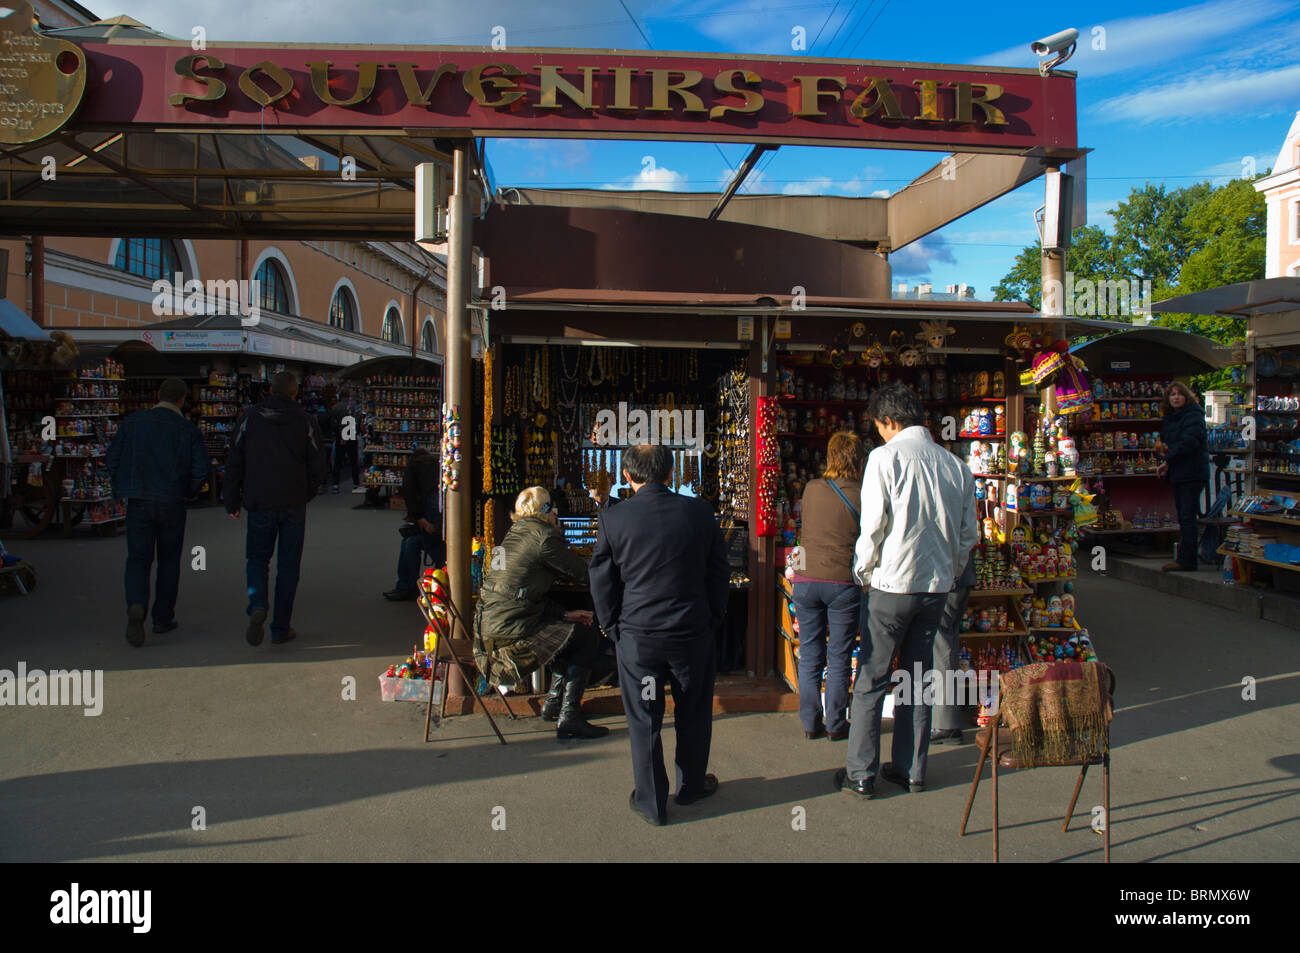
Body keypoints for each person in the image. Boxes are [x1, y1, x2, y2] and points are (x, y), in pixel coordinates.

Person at [837, 382, 978, 799]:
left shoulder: (884, 458)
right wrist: (949, 571)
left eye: (879, 426)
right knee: (917, 678)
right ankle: (911, 770)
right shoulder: (956, 466)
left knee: (872, 678)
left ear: (889, 421)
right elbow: (968, 535)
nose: (879, 433)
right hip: (936, 588)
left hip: (891, 586)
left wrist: (862, 572)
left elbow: (872, 528)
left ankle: (861, 773)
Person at [589, 444, 730, 827]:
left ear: (629, 477)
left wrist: (613, 625)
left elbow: (602, 580)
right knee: (694, 711)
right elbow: (719, 572)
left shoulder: (614, 519)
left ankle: (652, 801)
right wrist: (713, 617)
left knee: (645, 718)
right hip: (690, 634)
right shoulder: (699, 513)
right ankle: (691, 785)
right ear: (670, 474)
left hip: (639, 638)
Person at [472, 486, 611, 740]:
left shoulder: (513, 534)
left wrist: (565, 615)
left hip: (488, 631)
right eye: (552, 507)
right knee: (586, 638)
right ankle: (569, 716)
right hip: (508, 639)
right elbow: (582, 573)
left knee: (570, 634)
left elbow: (519, 595)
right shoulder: (544, 537)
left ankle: (554, 705)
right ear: (547, 510)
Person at [224, 371, 326, 646]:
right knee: (289, 566)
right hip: (293, 503)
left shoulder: (249, 418)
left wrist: (231, 500)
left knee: (257, 559)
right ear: (296, 393)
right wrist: (307, 492)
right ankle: (280, 627)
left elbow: (234, 459)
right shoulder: (305, 420)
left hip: (259, 501)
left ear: (270, 390)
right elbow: (318, 463)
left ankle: (257, 604)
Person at [107, 377, 210, 647]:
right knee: (169, 560)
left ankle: (136, 605)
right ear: (182, 400)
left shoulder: (132, 424)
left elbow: (112, 457)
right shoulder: (188, 430)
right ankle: (162, 617)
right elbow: (201, 469)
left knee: (138, 560)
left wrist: (123, 486)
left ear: (158, 396)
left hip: (138, 499)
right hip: (171, 502)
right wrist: (188, 491)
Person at [790, 431, 866, 741]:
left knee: (810, 654)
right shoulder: (862, 494)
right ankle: (836, 723)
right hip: (842, 582)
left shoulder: (810, 489)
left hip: (806, 579)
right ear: (857, 460)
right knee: (839, 655)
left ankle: (810, 723)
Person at [1157, 382, 1209, 573]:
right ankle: (1185, 558)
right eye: (1172, 395)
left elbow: (1190, 442)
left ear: (1186, 396)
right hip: (1180, 472)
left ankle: (1187, 560)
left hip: (1191, 472)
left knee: (1188, 516)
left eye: (1179, 394)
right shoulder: (1173, 417)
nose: (1176, 398)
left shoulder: (1193, 414)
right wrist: (1165, 458)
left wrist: (1168, 458)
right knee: (1184, 515)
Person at [383, 446, 445, 601]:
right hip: (437, 515)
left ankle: (408, 586)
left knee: (414, 543)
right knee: (411, 542)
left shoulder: (413, 469)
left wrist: (420, 520)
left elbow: (410, 495)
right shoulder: (436, 467)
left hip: (431, 519)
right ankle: (409, 585)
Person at [930, 553, 976, 745]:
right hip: (959, 575)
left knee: (941, 645)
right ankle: (943, 718)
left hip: (946, 578)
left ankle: (945, 724)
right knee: (947, 642)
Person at [328, 388, 360, 493]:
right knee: (354, 461)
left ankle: (335, 485)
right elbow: (357, 422)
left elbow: (333, 424)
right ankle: (356, 483)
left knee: (338, 461)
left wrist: (339, 436)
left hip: (340, 437)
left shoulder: (335, 407)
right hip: (351, 436)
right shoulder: (353, 407)